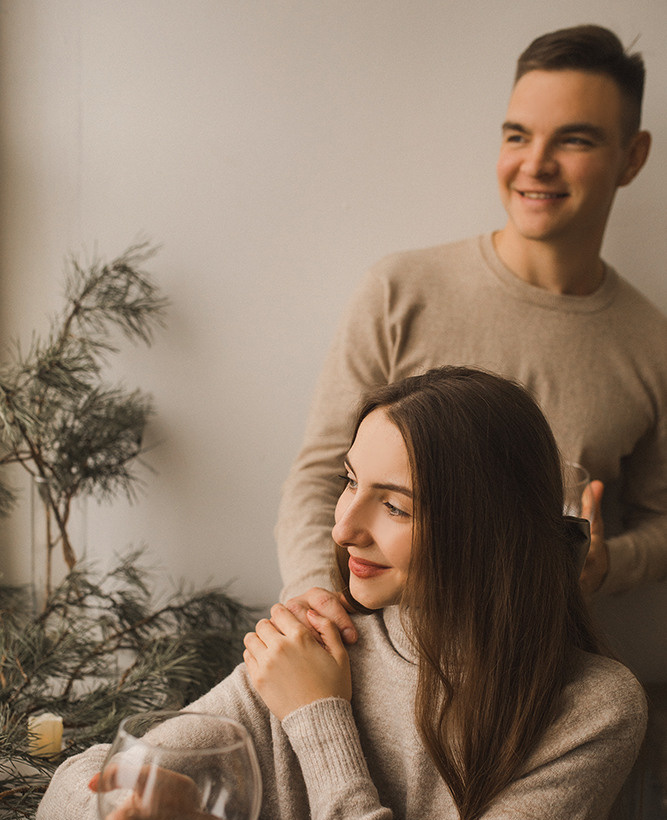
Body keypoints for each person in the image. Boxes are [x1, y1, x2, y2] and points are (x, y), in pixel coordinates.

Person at [36, 367, 649, 820]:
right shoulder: (314, 656)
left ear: (486, 529)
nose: (343, 527)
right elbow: (73, 788)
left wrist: (319, 718)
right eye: (349, 482)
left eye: (394, 505)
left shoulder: (592, 707)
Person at [275, 24, 667, 645]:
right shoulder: (399, 290)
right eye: (518, 135)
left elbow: (661, 519)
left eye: (574, 140)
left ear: (633, 156)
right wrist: (309, 598)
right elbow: (322, 469)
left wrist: (608, 563)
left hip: (535, 676)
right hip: (363, 655)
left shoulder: (652, 344)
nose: (535, 164)